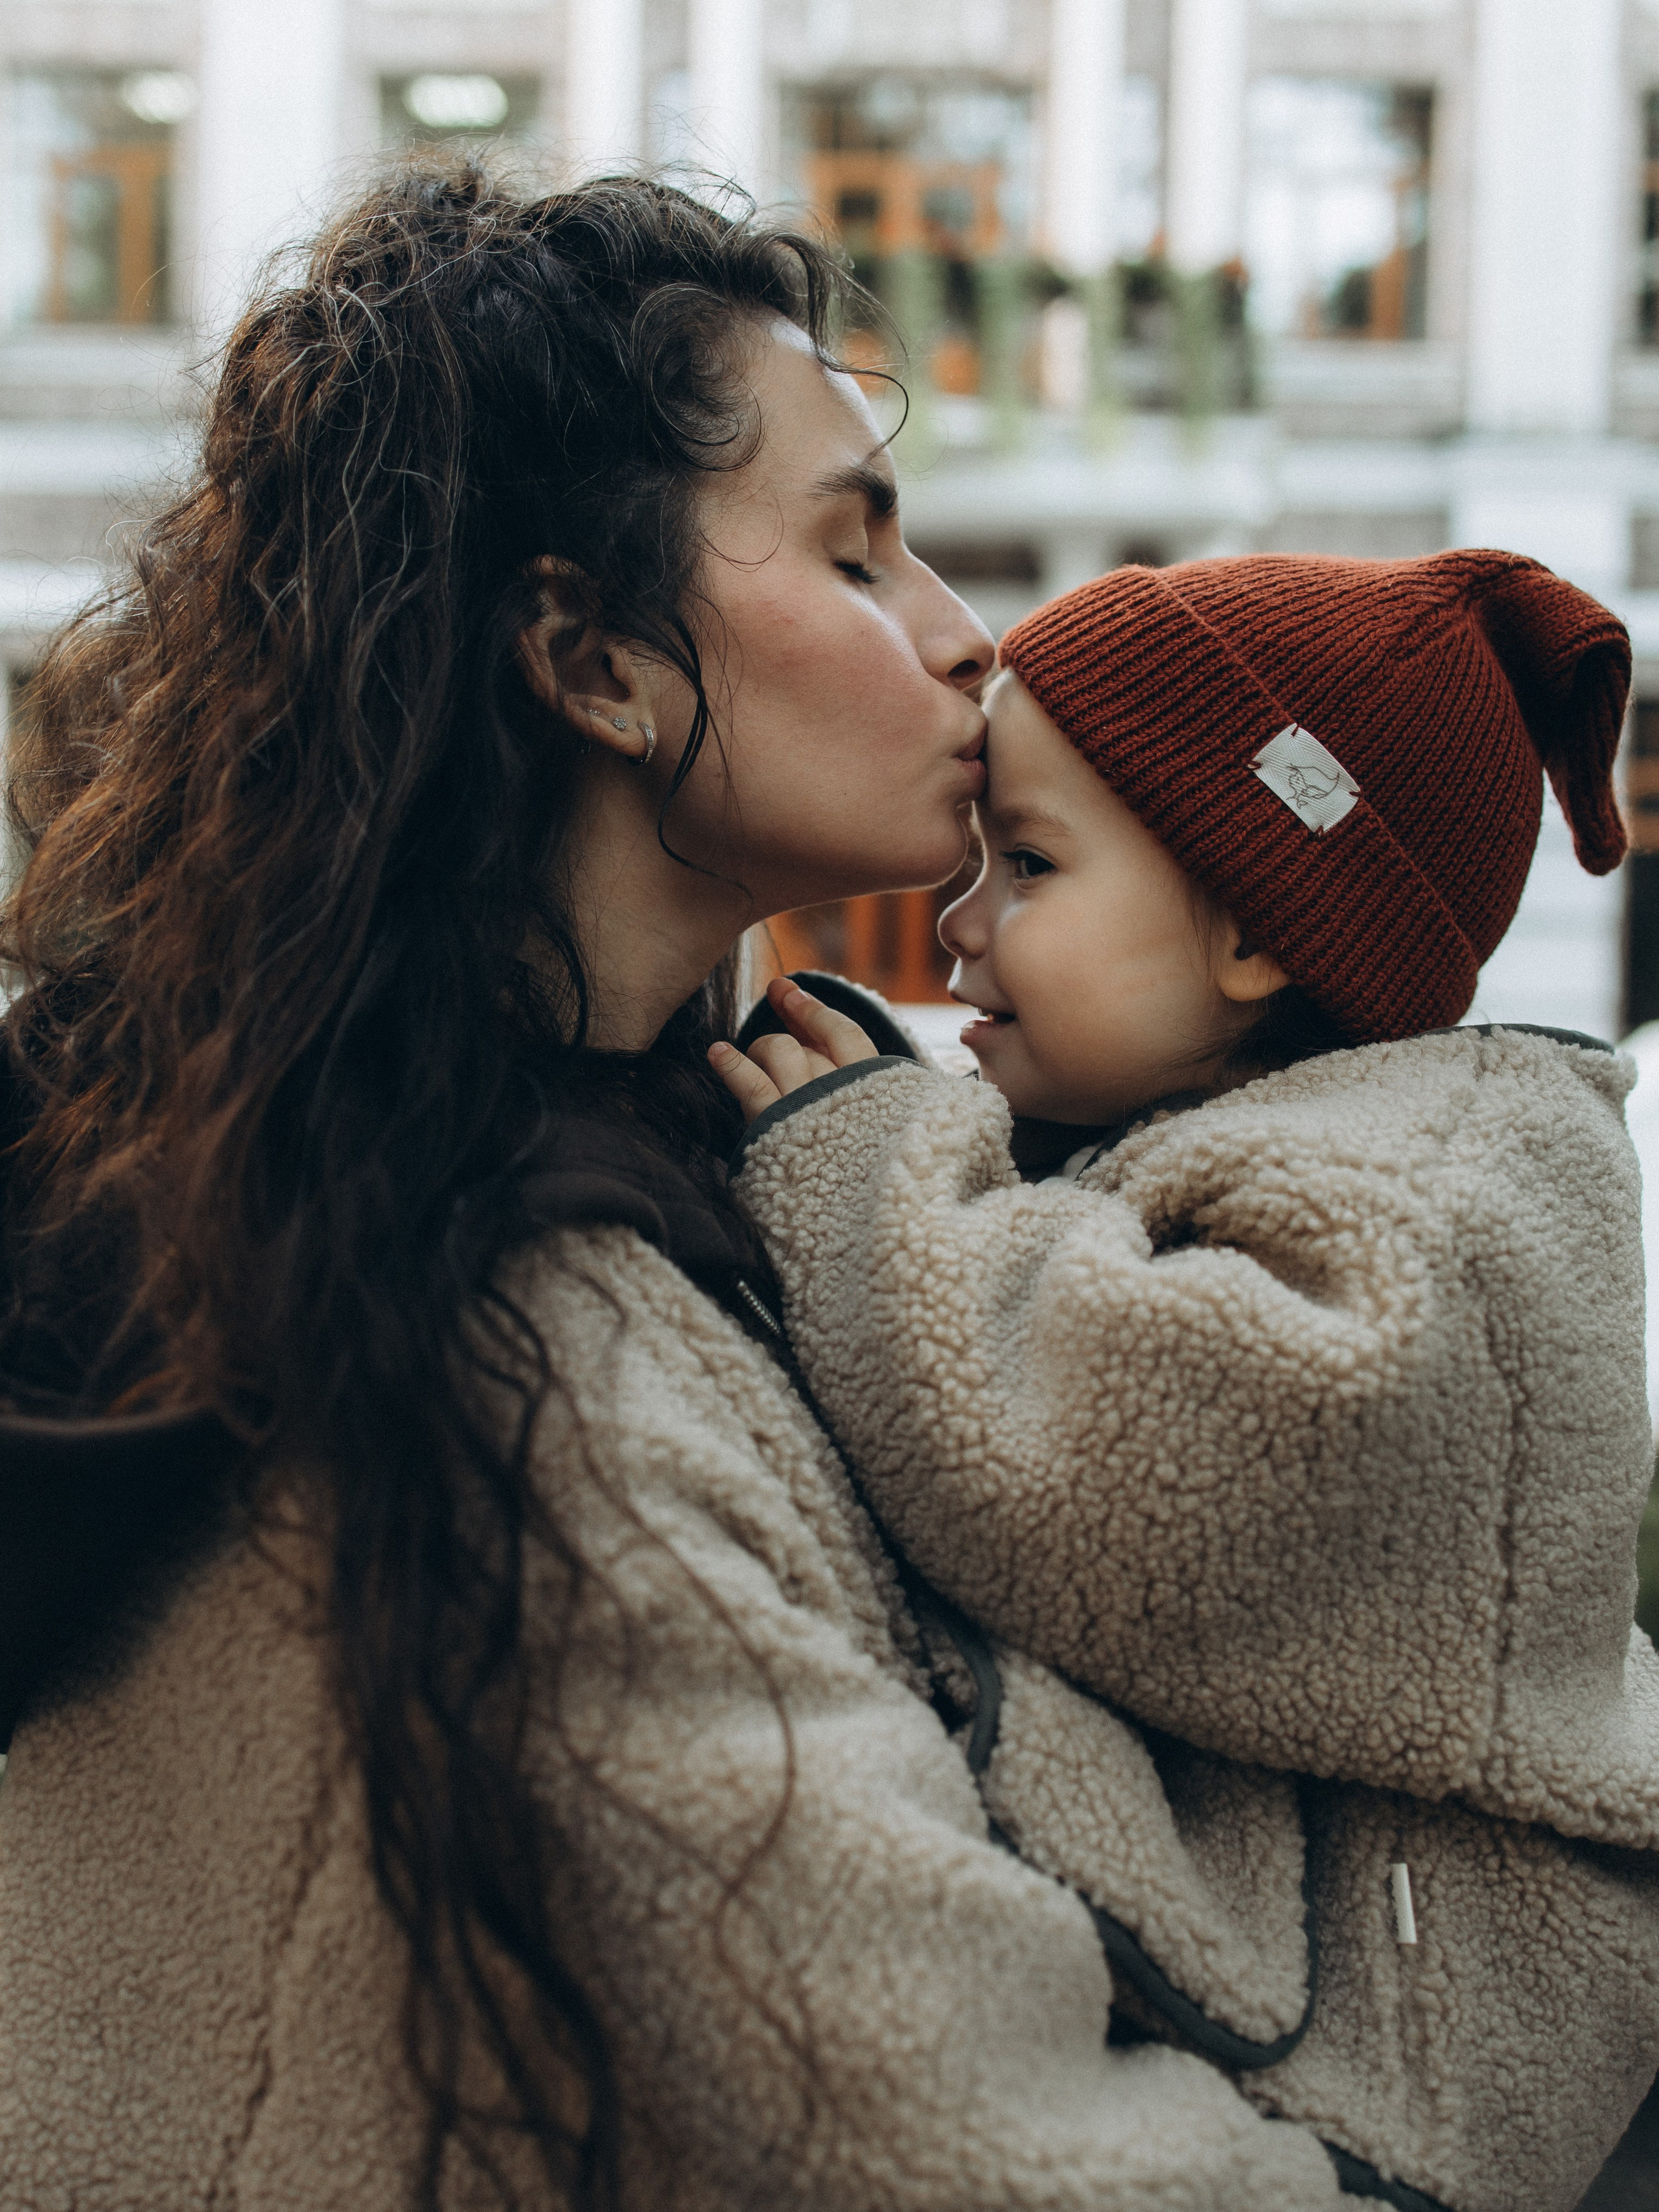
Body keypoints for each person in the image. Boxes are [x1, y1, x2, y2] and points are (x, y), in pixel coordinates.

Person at [0, 155, 1645, 2209]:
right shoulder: (512, 1346)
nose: (971, 644)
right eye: (861, 557)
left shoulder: (547, 1126)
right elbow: (971, 2129)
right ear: (597, 666)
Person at [714, 552, 1659, 2211]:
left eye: (1026, 864)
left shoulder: (1439, 1196)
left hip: (1389, 2089)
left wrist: (866, 1169)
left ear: (1246, 926)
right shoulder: (1239, 1141)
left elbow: (1122, 1473)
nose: (957, 924)